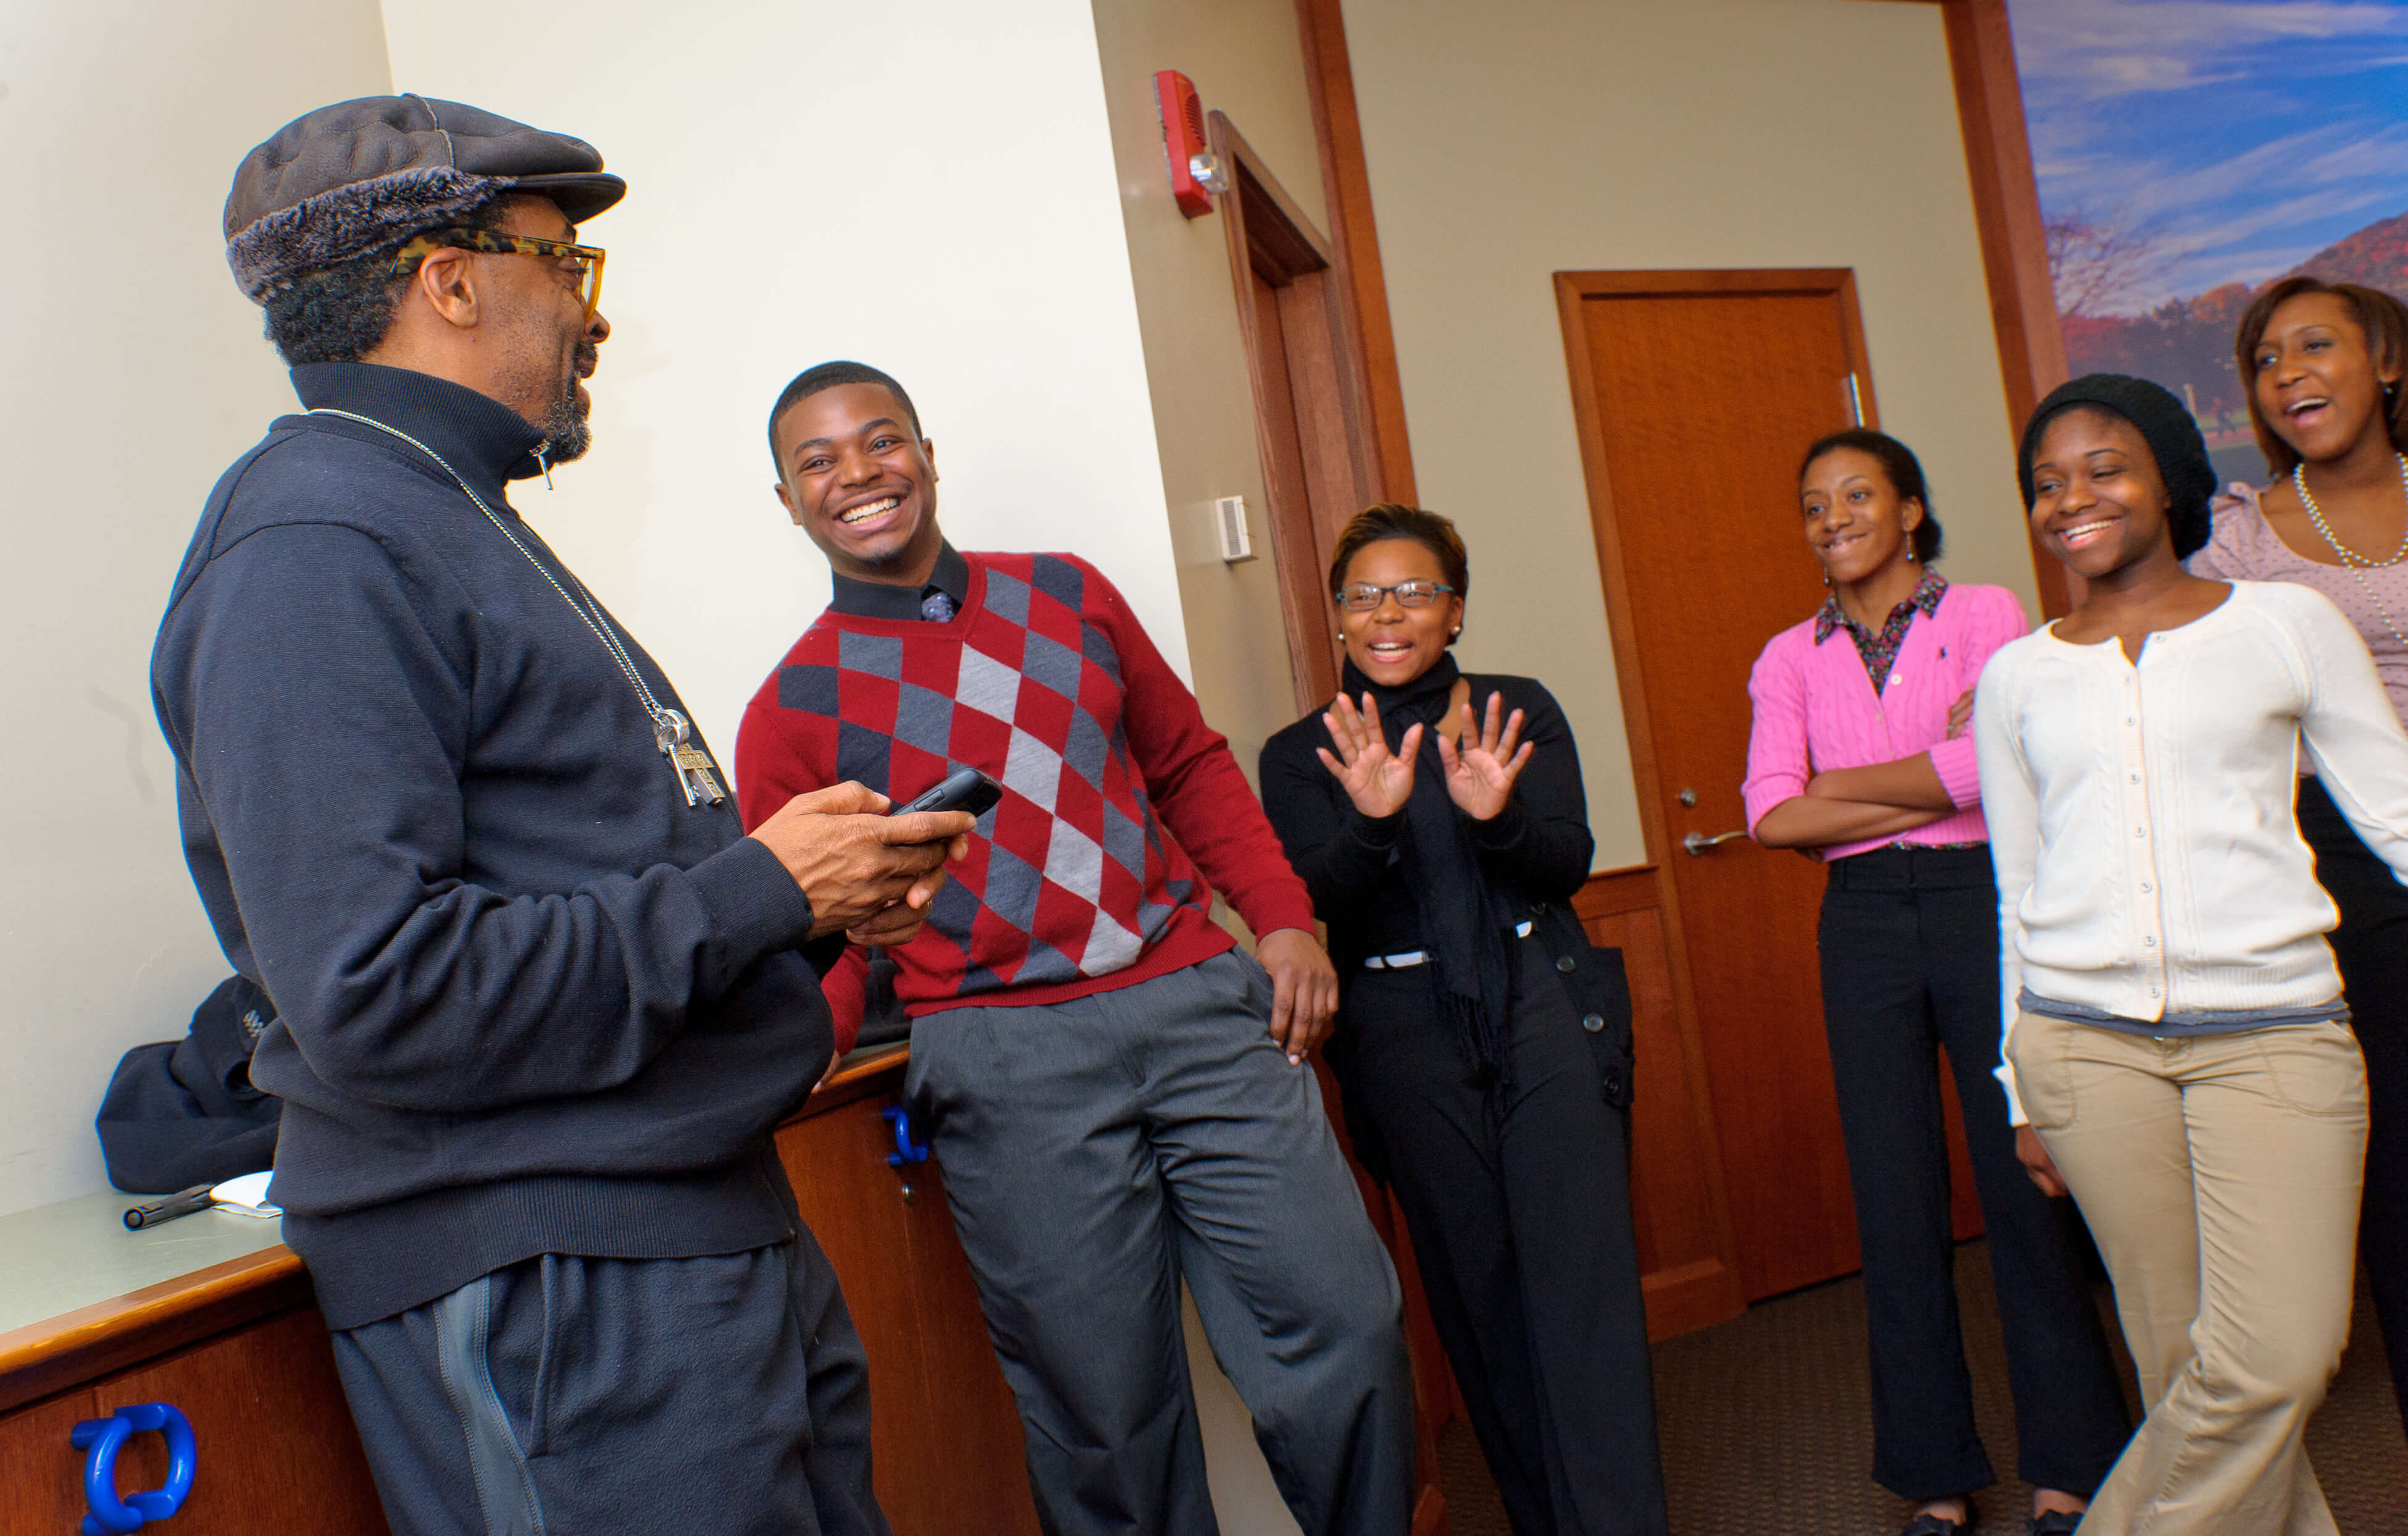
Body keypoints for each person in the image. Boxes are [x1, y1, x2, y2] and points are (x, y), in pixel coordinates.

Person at [156, 99, 974, 1536]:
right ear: (450, 281)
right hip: (561, 1281)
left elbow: (586, 890)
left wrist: (806, 905)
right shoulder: (312, 543)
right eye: (561, 267)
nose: (591, 321)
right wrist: (756, 892)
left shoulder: (445, 512)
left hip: (684, 1226)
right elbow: (380, 986)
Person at [734, 361, 1415, 1536]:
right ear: (787, 503)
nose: (858, 474)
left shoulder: (1071, 596)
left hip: (1200, 1006)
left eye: (881, 440)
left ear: (928, 455)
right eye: (819, 461)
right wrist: (779, 1063)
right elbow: (822, 936)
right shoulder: (789, 710)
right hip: (1003, 1066)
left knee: (1348, 1329)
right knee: (1106, 1420)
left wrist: (1286, 920)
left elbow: (1191, 765)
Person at [1983, 374, 2408, 1533]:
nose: (2074, 498)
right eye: (2047, 481)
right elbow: (2019, 887)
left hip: (2276, 1037)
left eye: (2104, 468)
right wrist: (2023, 1081)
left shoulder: (2284, 625)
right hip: (2086, 1053)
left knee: (2274, 1361)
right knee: (2190, 1377)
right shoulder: (2017, 675)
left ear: (2170, 481)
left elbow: (2395, 806)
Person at [1742, 430, 2131, 1536]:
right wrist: (1927, 780)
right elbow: (1772, 813)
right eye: (1814, 505)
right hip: (1860, 927)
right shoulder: (1787, 656)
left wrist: (1845, 790)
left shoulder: (1988, 616)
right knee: (1893, 1193)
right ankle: (1934, 1480)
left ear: (1910, 510)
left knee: (2027, 1179)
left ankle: (2074, 1466)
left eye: (1857, 496)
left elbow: (1992, 772)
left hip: (1981, 905)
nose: (1834, 520)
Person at [1257, 505, 1668, 1536]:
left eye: (1416, 591)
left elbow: (1566, 860)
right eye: (1364, 595)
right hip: (1399, 1033)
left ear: (1456, 611)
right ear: (1337, 618)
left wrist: (1500, 820)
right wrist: (1373, 819)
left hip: (1539, 1001)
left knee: (1583, 1295)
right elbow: (1316, 901)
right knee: (1480, 1300)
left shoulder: (1514, 711)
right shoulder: (1300, 752)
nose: (1389, 613)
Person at [2186, 276, 2408, 1422]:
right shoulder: (2243, 541)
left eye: (2314, 347)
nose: (2287, 377)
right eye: (2267, 360)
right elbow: (2161, 655)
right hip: (2350, 857)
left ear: (2385, 362)